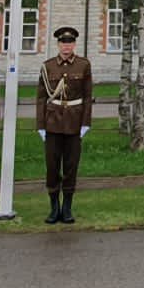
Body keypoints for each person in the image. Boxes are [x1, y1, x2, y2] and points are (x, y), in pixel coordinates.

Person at [37, 26, 93, 225]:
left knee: (71, 166)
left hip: (74, 122)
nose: (66, 46)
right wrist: (41, 125)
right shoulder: (48, 66)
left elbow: (87, 96)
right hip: (52, 123)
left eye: (69, 42)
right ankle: (54, 207)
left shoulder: (83, 65)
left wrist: (86, 122)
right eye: (63, 42)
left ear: (74, 44)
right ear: (58, 44)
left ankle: (67, 207)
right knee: (52, 167)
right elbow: (41, 98)